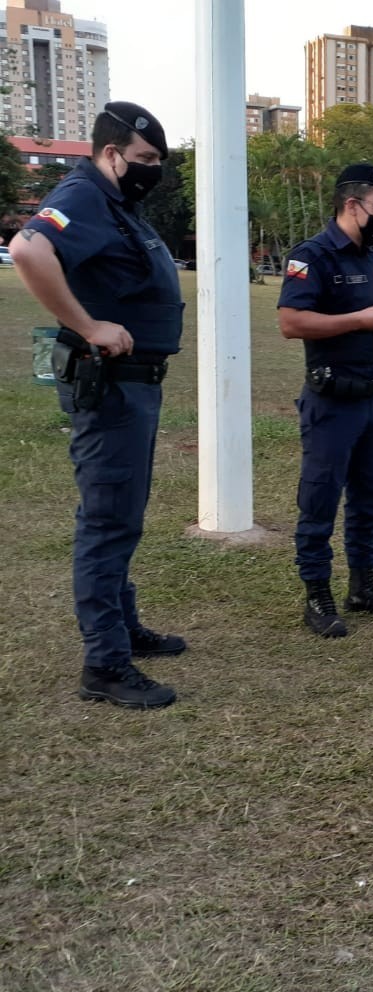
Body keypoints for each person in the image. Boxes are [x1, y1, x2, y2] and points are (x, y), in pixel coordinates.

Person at [10, 102, 185, 709]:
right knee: (108, 518)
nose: (151, 172)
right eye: (143, 161)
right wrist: (87, 325)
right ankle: (105, 665)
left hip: (133, 383)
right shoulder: (83, 192)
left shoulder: (115, 203)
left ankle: (123, 629)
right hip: (109, 380)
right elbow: (28, 249)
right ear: (111, 154)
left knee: (122, 513)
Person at [277, 163, 373, 638]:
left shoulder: (370, 258)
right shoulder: (313, 256)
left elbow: (372, 318)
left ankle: (363, 585)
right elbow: (292, 322)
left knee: (371, 497)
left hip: (371, 396)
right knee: (320, 499)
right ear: (352, 205)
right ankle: (317, 594)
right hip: (331, 399)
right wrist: (361, 321)